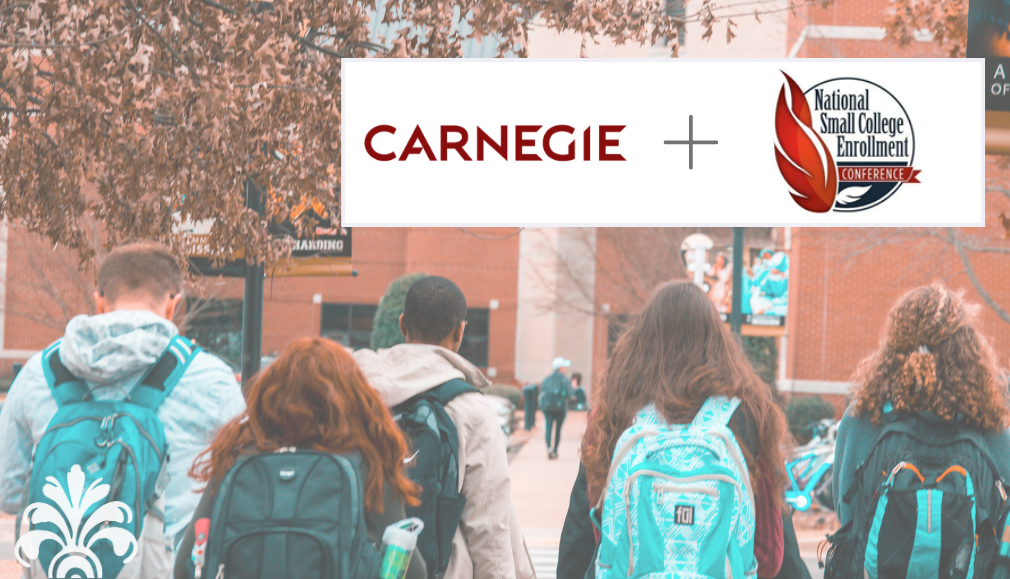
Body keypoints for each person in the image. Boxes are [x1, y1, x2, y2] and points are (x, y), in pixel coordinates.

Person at [0, 241, 246, 558]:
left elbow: (8, 491)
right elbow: (240, 487)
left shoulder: (38, 373)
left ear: (99, 301)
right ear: (173, 304)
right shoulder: (211, 378)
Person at [568, 281, 807, 579]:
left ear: (642, 341)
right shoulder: (746, 414)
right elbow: (772, 547)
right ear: (717, 342)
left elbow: (582, 527)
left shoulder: (615, 411)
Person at [174, 337, 426, 579]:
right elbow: (413, 570)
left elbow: (186, 564)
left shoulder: (237, 460)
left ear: (268, 394)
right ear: (352, 398)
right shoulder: (365, 464)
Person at [353, 276, 535, 579]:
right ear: (460, 331)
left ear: (402, 325)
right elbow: (489, 525)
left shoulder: (354, 392)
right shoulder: (471, 409)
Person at [828, 285, 1010, 579]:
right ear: (967, 348)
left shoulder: (866, 414)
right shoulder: (988, 421)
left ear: (895, 342)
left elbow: (847, 511)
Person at [540, 357, 574, 459]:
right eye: (564, 366)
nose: (565, 368)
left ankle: (549, 448)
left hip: (547, 408)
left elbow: (541, 392)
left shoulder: (547, 379)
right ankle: (555, 451)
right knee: (558, 430)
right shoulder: (565, 379)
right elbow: (570, 393)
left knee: (548, 428)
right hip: (560, 408)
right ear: (560, 368)